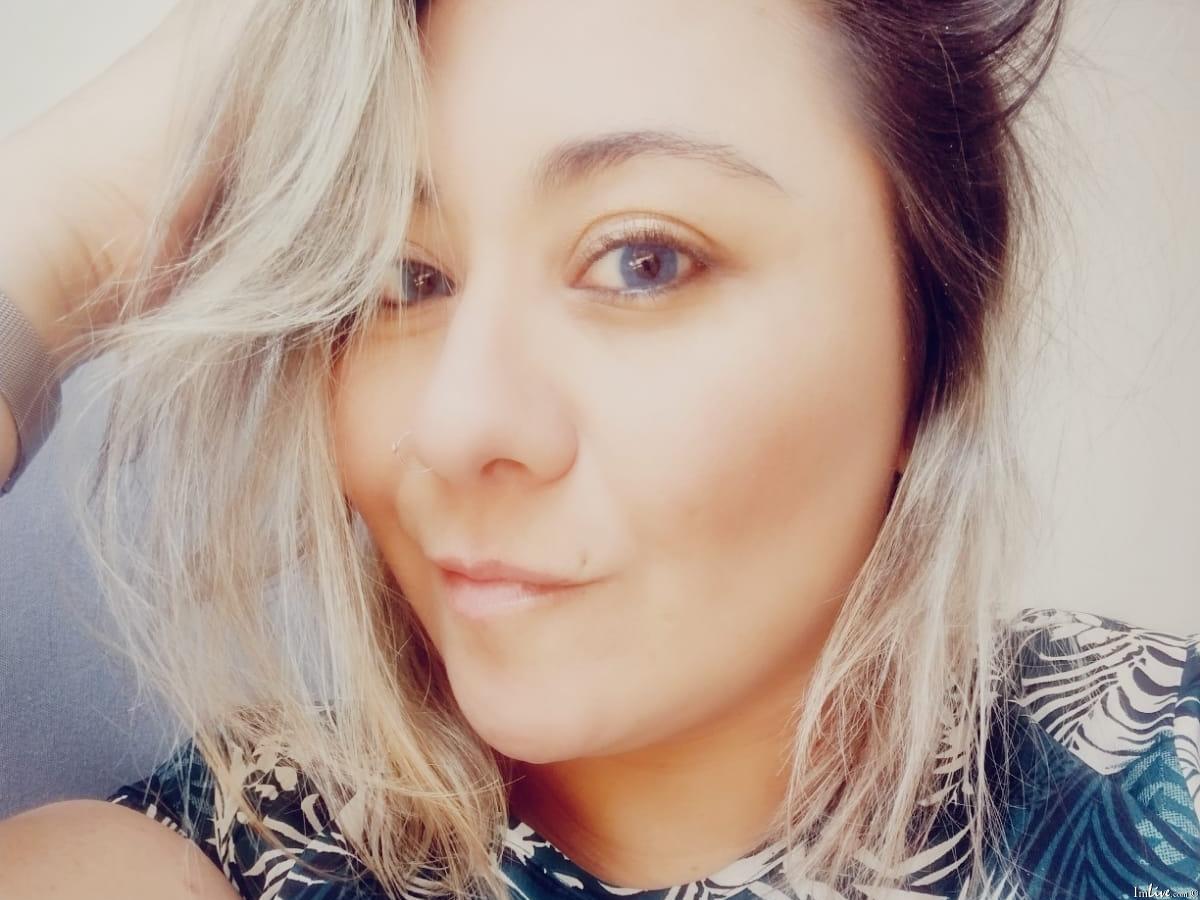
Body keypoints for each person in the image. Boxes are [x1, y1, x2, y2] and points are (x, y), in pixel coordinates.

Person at [0, 1, 1197, 898]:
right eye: (402, 277)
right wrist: (57, 228)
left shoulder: (1155, 774)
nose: (456, 427)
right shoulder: (218, 858)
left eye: (643, 260)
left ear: (926, 352)